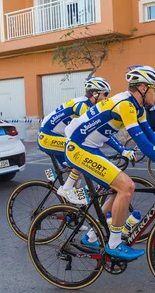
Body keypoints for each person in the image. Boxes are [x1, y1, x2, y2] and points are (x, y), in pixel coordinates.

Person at [64, 65, 155, 261]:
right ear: (144, 88)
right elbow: (144, 145)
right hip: (77, 148)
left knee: (116, 189)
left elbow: (153, 140)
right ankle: (114, 244)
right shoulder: (125, 105)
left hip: (91, 148)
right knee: (126, 186)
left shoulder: (138, 108)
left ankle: (91, 234)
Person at [38, 77, 132, 205]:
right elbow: (92, 132)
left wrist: (121, 148)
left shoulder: (87, 104)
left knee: (79, 168)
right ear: (95, 93)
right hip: (47, 136)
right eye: (105, 94)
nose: (106, 98)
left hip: (55, 135)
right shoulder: (83, 106)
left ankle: (73, 212)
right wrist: (121, 149)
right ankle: (66, 188)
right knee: (80, 153)